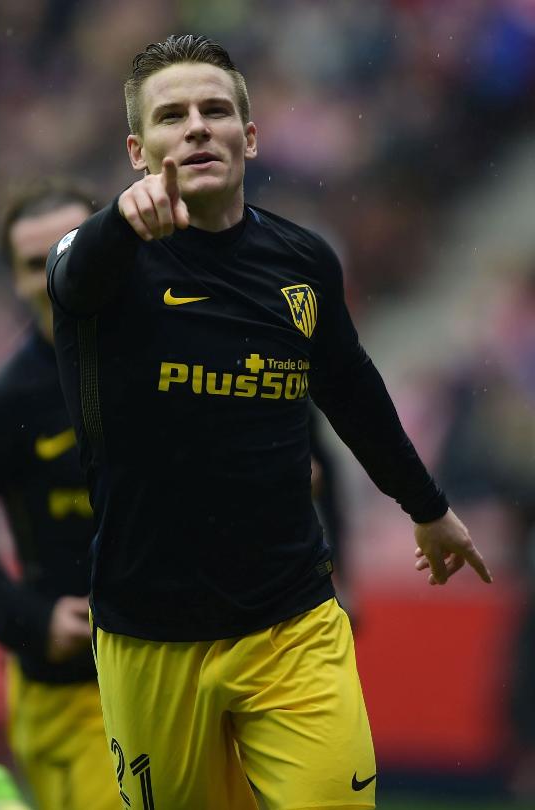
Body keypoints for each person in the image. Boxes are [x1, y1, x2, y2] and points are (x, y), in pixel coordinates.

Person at [46, 34, 493, 810]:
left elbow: (351, 389)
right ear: (137, 148)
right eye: (172, 115)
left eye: (216, 111)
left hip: (291, 619)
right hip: (149, 629)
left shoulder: (304, 263)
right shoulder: (105, 258)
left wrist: (428, 508)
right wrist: (120, 221)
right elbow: (70, 276)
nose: (196, 128)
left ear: (249, 137)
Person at [0, 179, 118, 810]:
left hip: (190, 668)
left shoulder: (170, 354)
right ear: (13, 281)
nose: (56, 271)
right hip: (73, 693)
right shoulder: (7, 402)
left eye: (71, 246)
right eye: (35, 264)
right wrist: (30, 621)